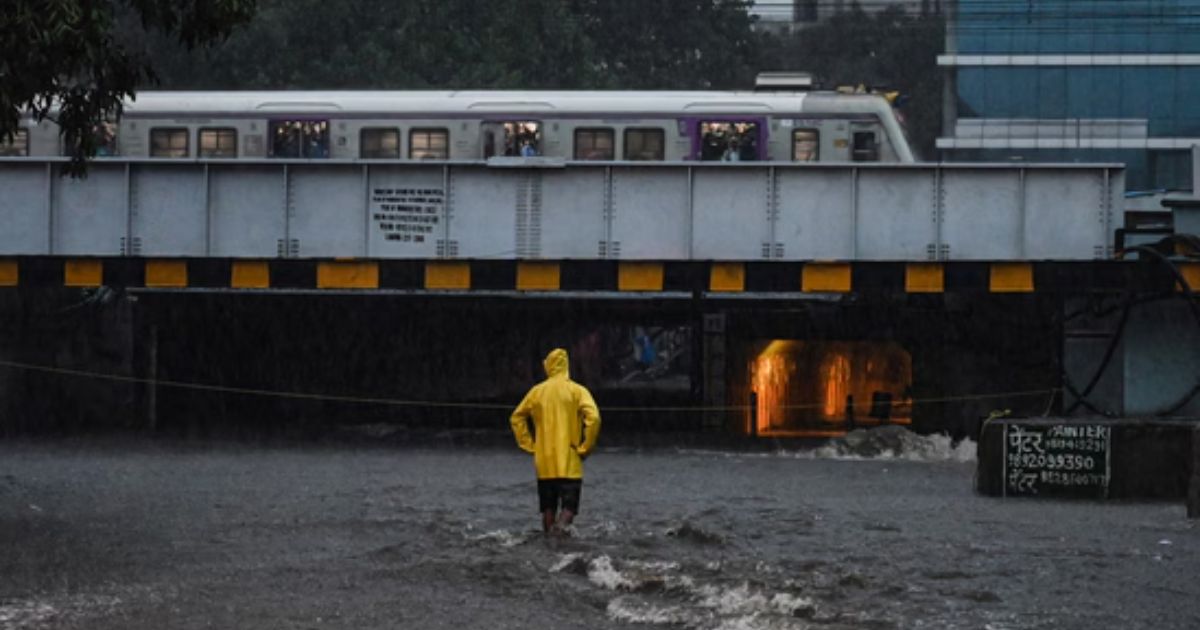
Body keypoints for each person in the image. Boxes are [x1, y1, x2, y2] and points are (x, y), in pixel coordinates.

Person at [510, 348, 601, 534]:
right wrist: (585, 447)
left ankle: (548, 542)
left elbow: (516, 418)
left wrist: (529, 444)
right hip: (569, 460)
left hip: (545, 463)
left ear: (548, 366)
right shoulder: (577, 391)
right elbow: (594, 418)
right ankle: (560, 534)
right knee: (569, 508)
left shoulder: (537, 392)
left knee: (548, 508)